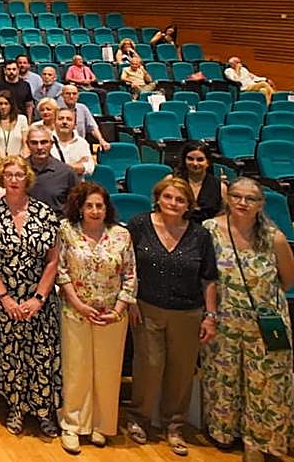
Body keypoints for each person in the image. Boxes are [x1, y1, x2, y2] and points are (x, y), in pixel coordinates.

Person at [200, 177, 294, 462]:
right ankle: (226, 432)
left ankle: (261, 441)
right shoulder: (210, 231)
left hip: (264, 325)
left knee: (267, 384)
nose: (242, 203)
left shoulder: (273, 237)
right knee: (223, 379)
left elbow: (288, 280)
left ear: (261, 204)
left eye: (249, 199)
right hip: (224, 320)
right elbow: (206, 277)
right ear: (228, 199)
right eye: (237, 196)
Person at [124, 176, 219, 455]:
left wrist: (210, 315)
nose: (173, 203)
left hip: (188, 312)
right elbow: (127, 267)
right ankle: (139, 417)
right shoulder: (139, 225)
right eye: (168, 197)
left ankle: (174, 425)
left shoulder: (200, 235)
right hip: (147, 307)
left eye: (180, 200)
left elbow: (209, 279)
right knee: (147, 367)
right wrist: (130, 302)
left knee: (181, 372)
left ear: (189, 205)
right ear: (157, 198)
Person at [0, 155, 62, 437]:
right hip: (7, 297)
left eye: (19, 175)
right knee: (13, 353)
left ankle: (43, 411)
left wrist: (38, 298)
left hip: (40, 298)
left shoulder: (45, 213)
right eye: (9, 175)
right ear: (2, 178)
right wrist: (4, 297)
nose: (14, 179)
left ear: (28, 178)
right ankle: (16, 407)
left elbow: (53, 260)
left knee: (42, 354)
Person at [56, 182, 137, 454]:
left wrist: (118, 310)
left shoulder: (121, 235)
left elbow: (130, 275)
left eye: (99, 206)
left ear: (107, 208)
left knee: (107, 371)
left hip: (111, 315)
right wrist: (77, 303)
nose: (94, 210)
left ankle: (101, 425)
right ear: (79, 207)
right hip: (75, 311)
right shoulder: (66, 231)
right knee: (76, 369)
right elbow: (61, 271)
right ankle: (72, 425)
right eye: (89, 205)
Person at [25, 125, 79, 214]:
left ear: (52, 144)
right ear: (27, 144)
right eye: (34, 143)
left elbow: (76, 204)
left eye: (44, 142)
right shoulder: (20, 170)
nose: (39, 147)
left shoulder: (66, 172)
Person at [173, 140, 225, 223]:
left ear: (208, 162)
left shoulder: (221, 187)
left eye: (200, 159)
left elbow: (223, 214)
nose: (195, 163)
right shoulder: (172, 181)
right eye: (190, 159)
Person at [0, 90, 28, 158]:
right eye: (0, 104)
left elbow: (26, 143)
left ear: (11, 105)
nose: (3, 107)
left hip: (18, 160)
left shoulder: (21, 119)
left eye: (6, 103)